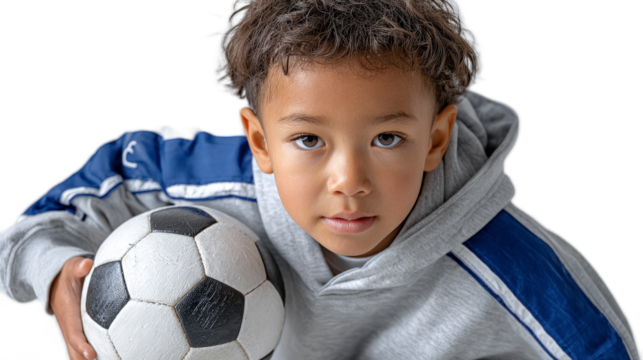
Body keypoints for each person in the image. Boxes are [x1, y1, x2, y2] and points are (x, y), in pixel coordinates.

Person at [1, 0, 641, 359]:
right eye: (308, 140)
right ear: (259, 141)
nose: (349, 180)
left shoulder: (521, 277)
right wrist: (56, 270)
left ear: (436, 138)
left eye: (386, 138)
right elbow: (41, 223)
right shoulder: (209, 183)